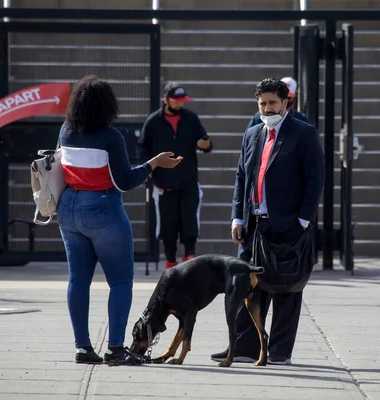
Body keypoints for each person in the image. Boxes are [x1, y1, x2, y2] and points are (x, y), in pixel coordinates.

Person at [57, 75, 182, 366]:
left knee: (78, 280)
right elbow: (124, 181)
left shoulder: (66, 129)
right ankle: (115, 349)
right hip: (102, 208)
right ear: (107, 105)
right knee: (121, 281)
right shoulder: (110, 137)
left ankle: (82, 348)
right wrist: (153, 163)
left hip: (68, 208)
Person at [211, 78, 325, 365]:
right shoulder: (251, 134)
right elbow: (241, 177)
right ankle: (244, 348)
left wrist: (301, 221)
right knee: (249, 287)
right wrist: (238, 217)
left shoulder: (303, 133)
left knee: (287, 288)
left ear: (286, 103)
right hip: (253, 225)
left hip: (288, 225)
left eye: (272, 102)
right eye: (262, 103)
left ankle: (279, 352)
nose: (267, 108)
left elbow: (315, 180)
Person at [138, 82, 213, 269]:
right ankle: (170, 262)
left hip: (188, 181)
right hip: (164, 183)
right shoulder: (154, 121)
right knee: (167, 224)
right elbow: (142, 147)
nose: (180, 104)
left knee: (189, 222)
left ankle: (190, 258)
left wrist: (206, 144)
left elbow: (205, 142)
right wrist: (147, 168)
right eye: (175, 100)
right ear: (166, 100)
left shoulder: (191, 119)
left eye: (182, 100)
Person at [246, 77, 311, 129]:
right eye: (263, 103)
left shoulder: (302, 120)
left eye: (289, 98)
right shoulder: (259, 117)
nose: (267, 109)